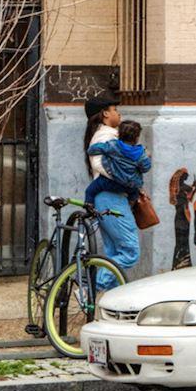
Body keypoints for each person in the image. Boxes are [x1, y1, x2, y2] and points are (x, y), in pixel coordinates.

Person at [83, 92, 142, 288]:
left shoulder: (103, 135)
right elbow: (100, 164)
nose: (119, 113)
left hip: (107, 197)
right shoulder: (106, 135)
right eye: (115, 110)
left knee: (114, 253)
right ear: (105, 114)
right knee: (130, 252)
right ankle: (92, 288)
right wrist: (128, 179)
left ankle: (109, 300)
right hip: (111, 198)